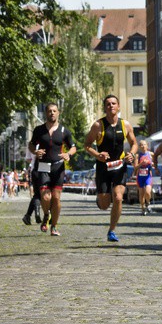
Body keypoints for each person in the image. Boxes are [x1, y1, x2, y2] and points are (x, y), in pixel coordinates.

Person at [84, 94, 137, 242]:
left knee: (119, 197)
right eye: (108, 104)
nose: (111, 106)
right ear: (105, 108)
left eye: (114, 103)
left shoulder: (125, 125)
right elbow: (87, 145)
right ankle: (101, 199)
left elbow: (134, 143)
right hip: (103, 167)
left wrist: (131, 154)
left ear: (118, 106)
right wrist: (97, 154)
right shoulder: (98, 125)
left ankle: (112, 230)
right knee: (104, 205)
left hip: (119, 166)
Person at [29, 103, 76, 236]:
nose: (52, 113)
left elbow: (73, 147)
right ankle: (46, 215)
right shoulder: (39, 130)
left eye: (54, 111)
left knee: (56, 198)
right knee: (45, 196)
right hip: (43, 166)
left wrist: (68, 154)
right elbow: (31, 144)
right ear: (46, 113)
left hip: (58, 166)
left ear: (58, 113)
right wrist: (35, 151)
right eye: (49, 111)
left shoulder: (64, 131)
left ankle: (54, 226)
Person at [134, 140, 154, 216]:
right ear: (139, 147)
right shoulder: (137, 156)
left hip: (148, 176)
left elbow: (154, 163)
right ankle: (143, 208)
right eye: (141, 145)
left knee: (148, 192)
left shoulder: (151, 154)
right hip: (140, 177)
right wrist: (141, 163)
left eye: (144, 144)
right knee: (141, 194)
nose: (143, 146)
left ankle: (148, 203)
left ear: (147, 145)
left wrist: (153, 164)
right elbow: (135, 167)